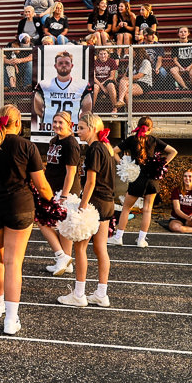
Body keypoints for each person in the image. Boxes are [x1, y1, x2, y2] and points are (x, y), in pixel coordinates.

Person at [0, 105, 53, 335]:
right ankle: (11, 320)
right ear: (17, 123)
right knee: (14, 263)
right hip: (19, 208)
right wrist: (54, 202)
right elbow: (41, 185)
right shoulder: (27, 146)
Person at [57, 113, 115, 307]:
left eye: (81, 128)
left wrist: (82, 207)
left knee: (80, 248)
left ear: (92, 129)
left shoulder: (94, 149)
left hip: (96, 202)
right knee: (100, 249)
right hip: (107, 203)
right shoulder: (105, 148)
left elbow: (91, 182)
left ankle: (79, 295)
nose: (78, 131)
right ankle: (101, 293)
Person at [110, 116, 178, 248]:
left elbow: (113, 151)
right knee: (147, 210)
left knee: (126, 208)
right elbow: (173, 151)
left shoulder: (131, 140)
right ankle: (141, 240)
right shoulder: (154, 140)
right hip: (152, 179)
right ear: (151, 128)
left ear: (138, 125)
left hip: (137, 178)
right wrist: (162, 164)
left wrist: (123, 164)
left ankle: (118, 237)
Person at [41, 112, 79, 275]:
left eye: (60, 122)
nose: (56, 125)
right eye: (54, 122)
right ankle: (66, 262)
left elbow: (71, 172)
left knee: (43, 222)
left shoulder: (71, 143)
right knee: (63, 228)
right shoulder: (55, 141)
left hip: (64, 191)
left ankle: (61, 256)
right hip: (52, 188)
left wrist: (64, 195)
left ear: (69, 124)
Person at [33, 50, 93, 134]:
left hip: (72, 130)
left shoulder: (81, 85)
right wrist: (47, 118)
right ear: (55, 66)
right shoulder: (44, 85)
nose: (64, 65)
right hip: (49, 129)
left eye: (67, 63)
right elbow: (38, 110)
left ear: (72, 66)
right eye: (60, 63)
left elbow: (86, 111)